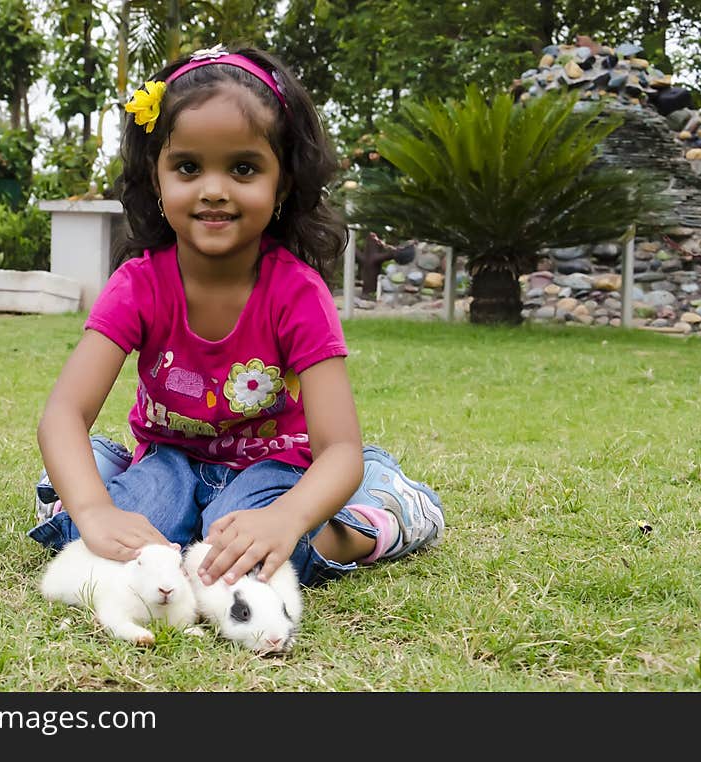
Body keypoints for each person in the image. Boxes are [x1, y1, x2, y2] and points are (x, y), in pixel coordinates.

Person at [28, 44, 445, 588]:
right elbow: (63, 415)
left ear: (283, 184)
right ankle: (98, 479)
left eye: (243, 168)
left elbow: (339, 450)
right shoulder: (137, 285)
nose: (215, 190)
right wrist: (92, 510)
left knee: (260, 565)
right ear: (157, 180)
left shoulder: (297, 293)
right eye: (187, 167)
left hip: (277, 472)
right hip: (169, 461)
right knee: (107, 546)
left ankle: (381, 513)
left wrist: (287, 519)